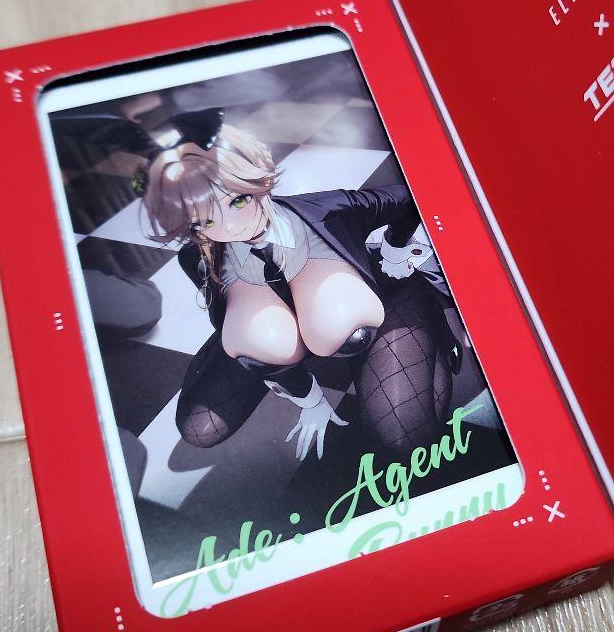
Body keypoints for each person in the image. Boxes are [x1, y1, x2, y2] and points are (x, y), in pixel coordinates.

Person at [136, 108, 463, 460]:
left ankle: (426, 327)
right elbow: (258, 337)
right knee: (200, 428)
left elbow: (410, 197)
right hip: (273, 323)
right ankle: (270, 348)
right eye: (204, 221)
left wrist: (394, 250)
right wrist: (308, 398)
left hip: (377, 295)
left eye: (238, 200)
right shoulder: (199, 257)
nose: (230, 226)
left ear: (259, 179)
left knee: (403, 436)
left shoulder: (329, 212)